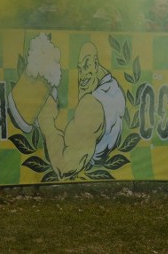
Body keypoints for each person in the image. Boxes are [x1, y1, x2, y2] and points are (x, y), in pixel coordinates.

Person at [36, 41, 125, 179]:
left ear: (95, 63)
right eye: (80, 68)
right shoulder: (114, 89)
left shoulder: (91, 106)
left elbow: (64, 167)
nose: (81, 75)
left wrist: (47, 123)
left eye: (86, 65)